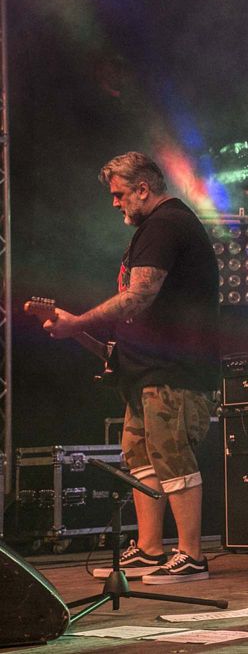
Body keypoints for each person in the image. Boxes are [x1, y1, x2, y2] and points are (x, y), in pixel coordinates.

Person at [45, 152, 219, 584]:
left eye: (120, 194)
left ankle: (192, 556)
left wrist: (78, 322)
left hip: (173, 369)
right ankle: (149, 549)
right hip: (146, 371)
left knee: (172, 455)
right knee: (141, 456)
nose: (115, 202)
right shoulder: (155, 228)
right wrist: (79, 333)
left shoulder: (165, 224)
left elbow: (139, 296)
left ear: (143, 189)